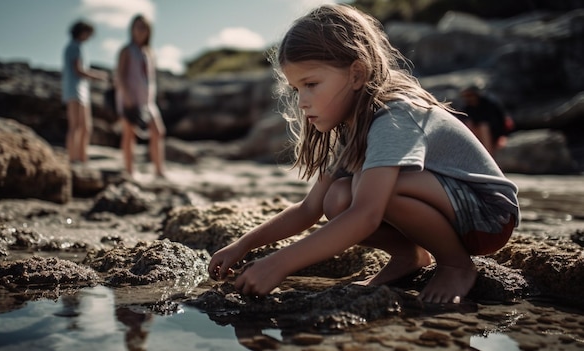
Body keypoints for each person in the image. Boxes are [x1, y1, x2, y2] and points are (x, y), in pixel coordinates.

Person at [208, 4, 520, 304]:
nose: (302, 102)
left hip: (487, 217)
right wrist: (244, 245)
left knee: (369, 189)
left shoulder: (394, 116)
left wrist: (279, 264)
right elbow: (310, 208)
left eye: (311, 84)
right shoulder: (354, 125)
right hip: (453, 210)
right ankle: (409, 256)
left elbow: (367, 214)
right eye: (296, 89)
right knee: (337, 196)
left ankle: (455, 265)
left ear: (357, 75)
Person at [115, 14, 166, 178]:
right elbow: (120, 76)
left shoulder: (149, 52)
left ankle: (159, 171)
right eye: (138, 27)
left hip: (148, 101)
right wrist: (127, 98)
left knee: (158, 132)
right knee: (129, 135)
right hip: (130, 99)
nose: (141, 31)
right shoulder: (126, 50)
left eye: (144, 27)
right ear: (132, 29)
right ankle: (129, 171)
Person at [62, 20, 107, 164]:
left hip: (82, 91)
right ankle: (73, 158)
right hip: (74, 91)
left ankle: (82, 158)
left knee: (86, 127)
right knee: (75, 126)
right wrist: (97, 76)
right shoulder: (74, 47)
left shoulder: (78, 47)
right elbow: (78, 70)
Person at [460, 86, 514, 156]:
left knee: (484, 127)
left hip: (493, 133)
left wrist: (502, 136)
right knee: (469, 125)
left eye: (470, 95)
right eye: (466, 96)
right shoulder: (468, 107)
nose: (468, 98)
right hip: (479, 133)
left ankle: (488, 155)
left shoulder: (490, 104)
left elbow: (502, 120)